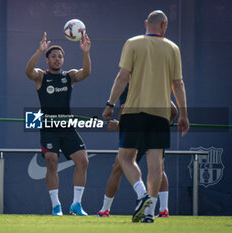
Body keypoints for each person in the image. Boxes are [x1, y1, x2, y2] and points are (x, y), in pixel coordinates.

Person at [102, 10, 189, 223]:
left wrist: (110, 104)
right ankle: (149, 214)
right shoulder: (173, 48)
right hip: (160, 114)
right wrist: (184, 114)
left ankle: (142, 195)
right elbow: (178, 84)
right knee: (156, 163)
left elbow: (122, 77)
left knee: (125, 158)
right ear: (164, 25)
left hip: (133, 111)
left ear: (145, 24)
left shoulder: (132, 43)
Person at [25, 32, 91, 216]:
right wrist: (39, 51)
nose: (57, 59)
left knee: (83, 161)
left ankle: (76, 205)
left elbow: (86, 73)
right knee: (51, 162)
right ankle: (56, 206)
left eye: (60, 57)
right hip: (48, 128)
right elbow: (28, 71)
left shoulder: (69, 76)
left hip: (67, 128)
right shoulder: (41, 76)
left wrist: (86, 52)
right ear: (47, 60)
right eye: (53, 56)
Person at [96, 85, 177, 218]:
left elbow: (125, 113)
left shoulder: (127, 87)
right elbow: (173, 111)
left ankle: (105, 210)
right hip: (155, 133)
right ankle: (163, 210)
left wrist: (119, 125)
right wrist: (165, 123)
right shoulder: (155, 84)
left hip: (136, 135)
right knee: (159, 169)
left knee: (118, 167)